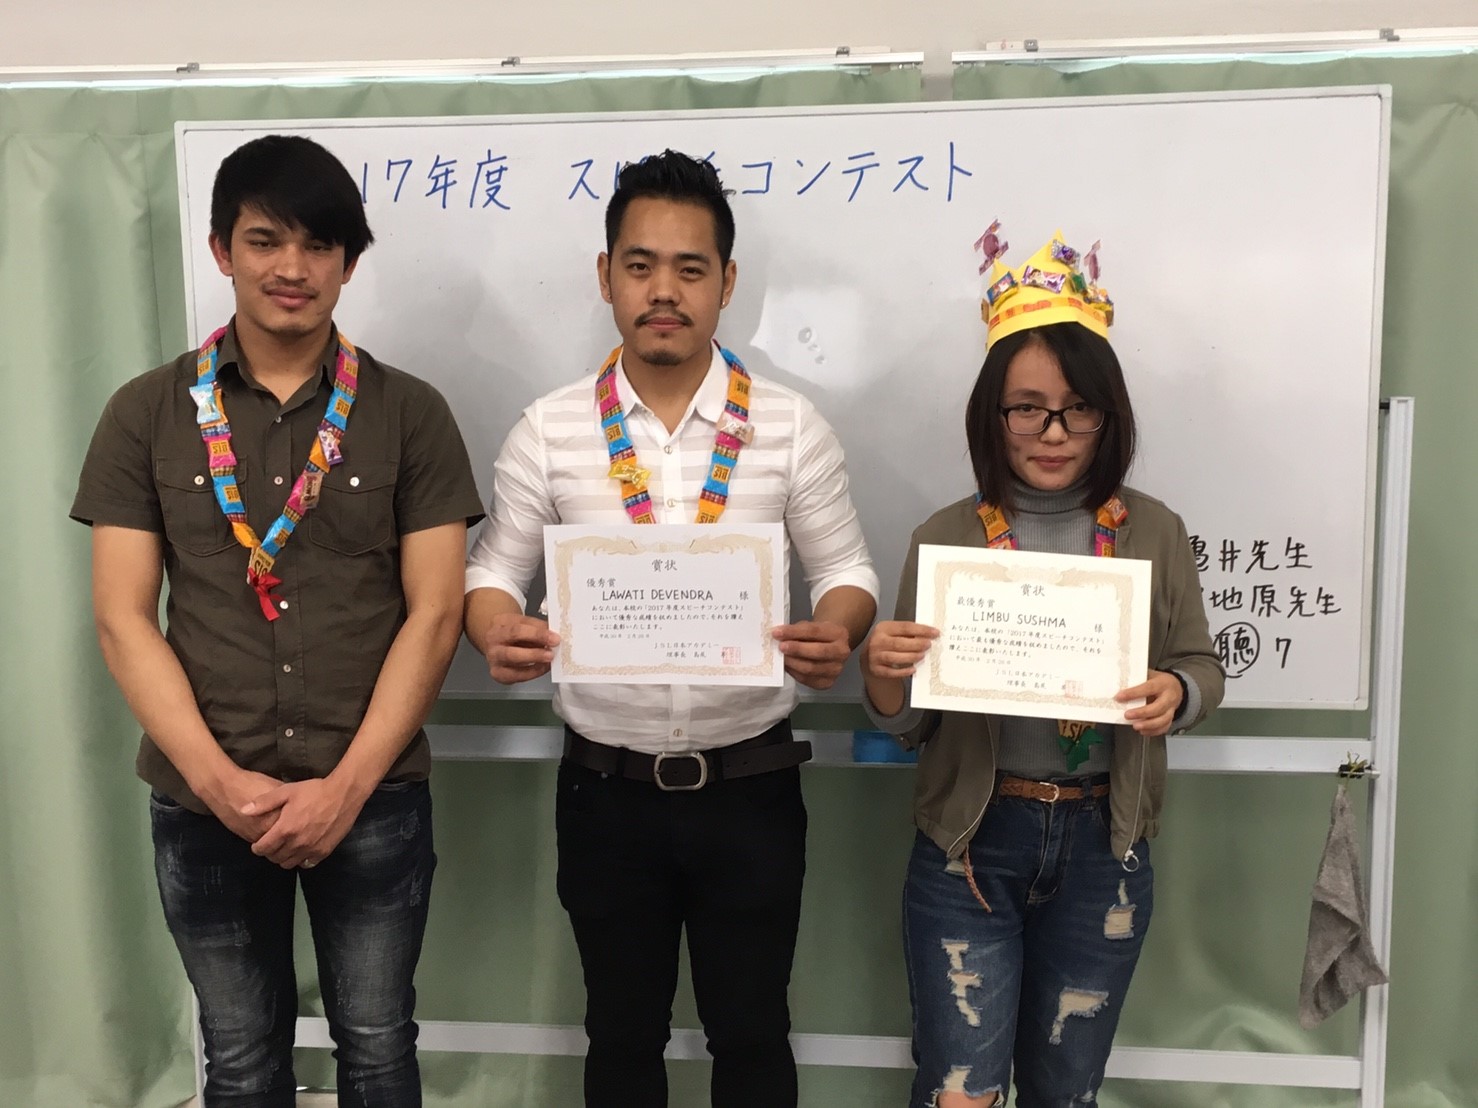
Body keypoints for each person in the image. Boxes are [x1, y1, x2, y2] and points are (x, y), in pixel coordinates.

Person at [71, 134, 484, 1107]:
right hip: (203, 800)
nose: (291, 268)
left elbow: (435, 614)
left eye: (318, 244)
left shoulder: (410, 414)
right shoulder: (146, 413)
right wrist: (220, 785)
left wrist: (345, 788)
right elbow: (124, 618)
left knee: (377, 1046)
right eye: (265, 240)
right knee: (240, 1054)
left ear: (348, 262)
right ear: (222, 249)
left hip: (371, 795)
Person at [464, 149, 878, 1108]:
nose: (664, 291)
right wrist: (494, 629)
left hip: (752, 786)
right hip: (605, 792)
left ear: (726, 283)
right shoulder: (550, 430)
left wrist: (838, 629)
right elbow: (490, 575)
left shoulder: (790, 426)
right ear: (604, 275)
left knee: (753, 1036)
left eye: (690, 269)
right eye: (641, 265)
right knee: (620, 1038)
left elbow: (848, 572)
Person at [861, 228, 1225, 1108]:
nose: (1053, 433)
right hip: (970, 844)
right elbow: (905, 723)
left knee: (1067, 1091)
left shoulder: (1154, 530)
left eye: (1077, 409)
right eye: (1026, 409)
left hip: (1105, 844)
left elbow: (1200, 666)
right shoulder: (945, 537)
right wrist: (883, 671)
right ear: (992, 417)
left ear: (1110, 415)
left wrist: (1177, 693)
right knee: (961, 1090)